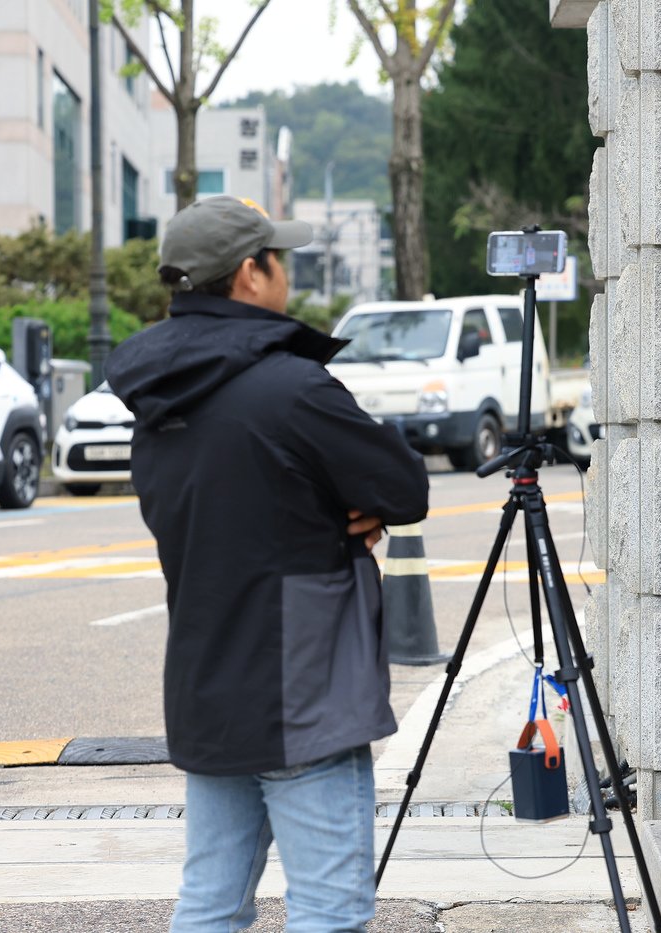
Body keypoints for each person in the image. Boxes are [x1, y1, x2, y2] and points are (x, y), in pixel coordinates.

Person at [106, 195, 430, 930]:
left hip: (207, 685)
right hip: (302, 690)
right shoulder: (291, 388)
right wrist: (353, 515)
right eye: (277, 259)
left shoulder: (157, 401)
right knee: (330, 909)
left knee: (211, 904)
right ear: (250, 275)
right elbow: (403, 486)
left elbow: (234, 513)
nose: (285, 273)